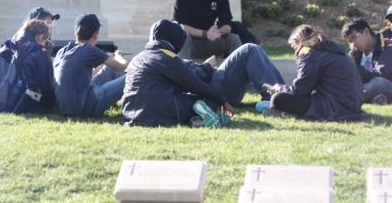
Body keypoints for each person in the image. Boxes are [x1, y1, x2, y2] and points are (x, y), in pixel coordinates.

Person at [122, 19, 285, 127]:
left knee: (200, 94)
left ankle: (210, 114)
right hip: (170, 110)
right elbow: (193, 83)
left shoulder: (140, 58)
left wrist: (204, 68)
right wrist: (222, 99)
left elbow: (182, 74)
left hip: (136, 115)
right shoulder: (165, 57)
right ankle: (280, 99)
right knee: (250, 49)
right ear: (173, 38)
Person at [265, 25, 366, 121]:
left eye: (293, 47)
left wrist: (279, 88)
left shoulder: (308, 53)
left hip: (333, 109)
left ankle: (287, 112)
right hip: (353, 108)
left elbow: (300, 90)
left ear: (298, 42)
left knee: (277, 98)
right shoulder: (333, 50)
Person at [53, 14, 128, 117]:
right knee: (132, 77)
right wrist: (118, 56)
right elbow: (123, 67)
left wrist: (98, 68)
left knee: (108, 68)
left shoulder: (62, 51)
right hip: (85, 108)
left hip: (68, 106)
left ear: (76, 32)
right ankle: (135, 107)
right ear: (95, 34)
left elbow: (73, 79)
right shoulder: (88, 49)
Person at [172, 0, 242, 59]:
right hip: (192, 44)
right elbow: (180, 27)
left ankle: (240, 72)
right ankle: (183, 72)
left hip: (213, 41)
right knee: (182, 39)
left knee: (234, 38)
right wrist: (205, 33)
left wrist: (217, 32)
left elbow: (227, 26)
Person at [342, 18, 392, 104]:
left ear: (366, 32)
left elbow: (379, 75)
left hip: (391, 87)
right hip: (366, 87)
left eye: (353, 38)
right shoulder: (356, 53)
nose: (352, 44)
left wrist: (354, 67)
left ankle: (349, 97)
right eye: (349, 42)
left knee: (379, 83)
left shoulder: (389, 48)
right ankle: (372, 98)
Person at [10, 19, 56, 113]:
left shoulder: (14, 44)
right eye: (46, 39)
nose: (46, 42)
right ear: (41, 36)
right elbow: (46, 85)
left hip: (8, 98)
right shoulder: (38, 52)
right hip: (26, 102)